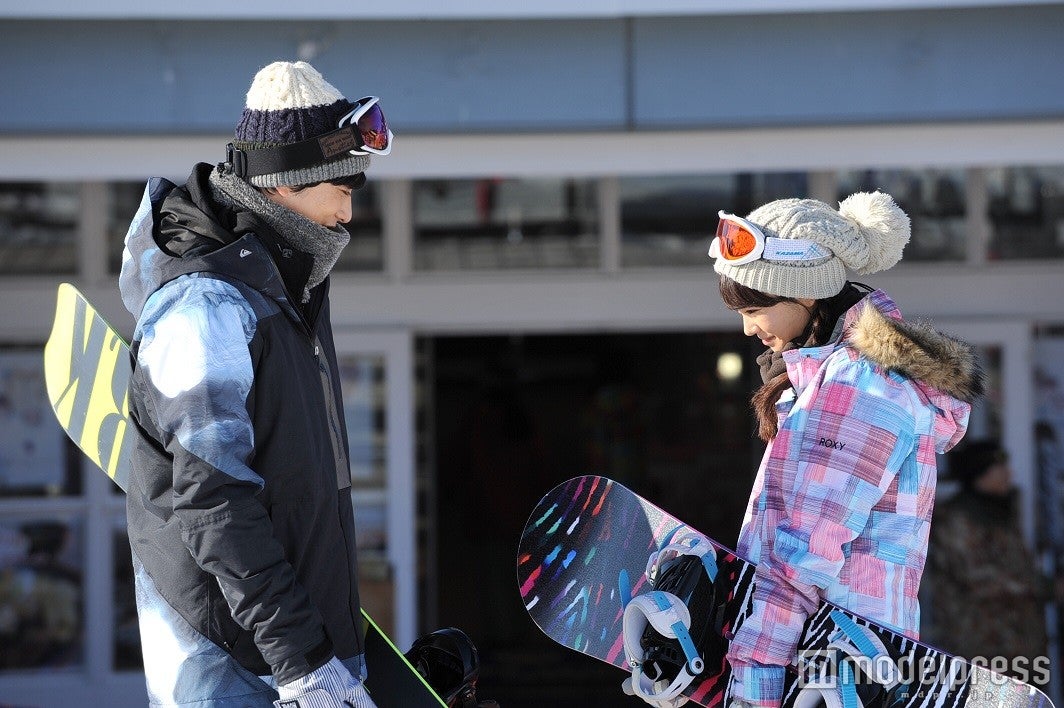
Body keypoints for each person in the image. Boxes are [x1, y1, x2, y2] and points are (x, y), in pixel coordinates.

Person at [118, 60, 392, 707]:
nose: (352, 202)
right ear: (286, 184)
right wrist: (301, 659)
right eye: (343, 181)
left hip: (291, 661)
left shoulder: (284, 293)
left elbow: (297, 498)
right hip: (236, 671)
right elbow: (214, 503)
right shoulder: (207, 307)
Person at [706, 192, 983, 708]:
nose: (748, 327)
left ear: (806, 294)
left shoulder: (858, 383)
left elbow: (808, 544)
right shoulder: (827, 380)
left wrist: (753, 668)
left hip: (826, 656)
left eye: (755, 308)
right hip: (833, 648)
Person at [924, 440, 1049, 678]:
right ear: (980, 475)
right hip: (982, 650)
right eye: (999, 469)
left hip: (1020, 646)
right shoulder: (957, 520)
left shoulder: (1000, 514)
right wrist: (1043, 586)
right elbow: (977, 576)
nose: (1008, 475)